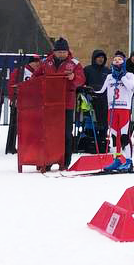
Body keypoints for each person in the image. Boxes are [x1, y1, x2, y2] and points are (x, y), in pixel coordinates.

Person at [33, 38, 86, 169]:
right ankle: (49, 160)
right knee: (50, 133)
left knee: (66, 134)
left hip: (66, 104)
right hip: (49, 103)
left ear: (68, 51)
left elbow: (82, 79)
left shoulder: (75, 63)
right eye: (59, 51)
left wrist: (74, 78)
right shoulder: (46, 63)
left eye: (64, 51)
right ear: (54, 52)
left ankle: (65, 161)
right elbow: (35, 76)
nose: (62, 54)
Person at [96, 52, 134, 171]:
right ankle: (117, 159)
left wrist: (121, 75)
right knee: (114, 136)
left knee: (124, 136)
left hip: (124, 108)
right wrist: (89, 91)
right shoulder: (109, 77)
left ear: (123, 62)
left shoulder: (129, 75)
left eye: (120, 59)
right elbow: (101, 90)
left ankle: (128, 161)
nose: (117, 61)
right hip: (112, 109)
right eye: (115, 59)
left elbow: (130, 87)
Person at [5, 55, 42, 154]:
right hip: (19, 102)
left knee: (30, 126)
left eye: (39, 62)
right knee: (15, 126)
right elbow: (11, 85)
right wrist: (13, 99)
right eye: (36, 62)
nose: (38, 64)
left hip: (33, 103)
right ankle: (11, 146)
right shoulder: (20, 71)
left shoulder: (39, 72)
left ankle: (28, 145)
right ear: (30, 63)